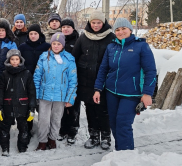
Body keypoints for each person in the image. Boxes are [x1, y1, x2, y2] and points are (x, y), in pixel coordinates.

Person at [93, 18, 156, 151]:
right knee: (114, 124)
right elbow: (103, 69)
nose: (121, 32)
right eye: (117, 30)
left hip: (131, 93)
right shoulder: (111, 47)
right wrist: (98, 89)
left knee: (123, 124)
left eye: (123, 29)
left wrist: (147, 93)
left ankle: (127, 155)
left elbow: (150, 71)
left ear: (130, 30)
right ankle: (120, 152)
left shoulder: (141, 46)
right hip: (112, 92)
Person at [72, 10, 115, 150]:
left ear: (103, 23)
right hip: (86, 82)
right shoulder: (84, 37)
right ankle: (94, 136)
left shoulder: (111, 38)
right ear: (89, 23)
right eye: (93, 22)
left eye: (99, 22)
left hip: (104, 82)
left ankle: (106, 137)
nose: (96, 25)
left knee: (103, 110)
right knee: (90, 110)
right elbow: (74, 57)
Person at [33, 32, 77, 151]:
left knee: (56, 119)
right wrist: (35, 95)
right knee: (43, 119)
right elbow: (37, 77)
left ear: (62, 45)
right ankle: (42, 141)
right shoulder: (43, 57)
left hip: (60, 96)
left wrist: (70, 98)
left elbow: (73, 81)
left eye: (58, 44)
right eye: (54, 43)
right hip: (45, 94)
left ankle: (52, 139)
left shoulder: (69, 59)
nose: (56, 46)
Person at [0, 49, 36, 155]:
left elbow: (31, 91)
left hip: (22, 105)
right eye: (12, 59)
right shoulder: (4, 74)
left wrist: (32, 107)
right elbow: (0, 90)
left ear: (20, 60)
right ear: (9, 60)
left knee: (23, 128)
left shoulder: (27, 73)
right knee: (4, 128)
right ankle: (5, 147)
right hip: (7, 105)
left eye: (16, 59)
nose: (14, 61)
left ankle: (22, 147)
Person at [18, 24, 50, 137]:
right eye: (31, 34)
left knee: (42, 107)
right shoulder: (22, 47)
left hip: (43, 82)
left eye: (35, 33)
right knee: (27, 106)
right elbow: (19, 63)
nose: (33, 36)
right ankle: (28, 128)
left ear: (39, 34)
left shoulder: (47, 46)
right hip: (26, 81)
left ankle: (45, 130)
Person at [57, 18, 81, 145]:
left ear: (73, 28)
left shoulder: (78, 41)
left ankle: (72, 131)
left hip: (73, 79)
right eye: (63, 26)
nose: (66, 29)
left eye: (68, 26)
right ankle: (63, 130)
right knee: (62, 106)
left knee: (73, 106)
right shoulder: (58, 39)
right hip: (60, 80)